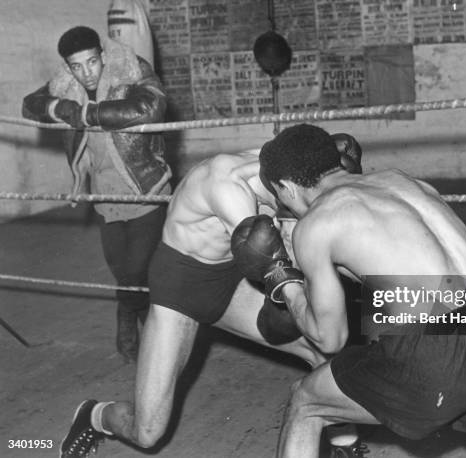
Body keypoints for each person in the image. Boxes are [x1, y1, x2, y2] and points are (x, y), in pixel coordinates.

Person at [231, 124, 466, 458]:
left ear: (285, 187)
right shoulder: (404, 181)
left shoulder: (316, 223)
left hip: (434, 356)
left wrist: (283, 278)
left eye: (280, 197)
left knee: (305, 402)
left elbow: (329, 339)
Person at [58, 139, 364, 457]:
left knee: (322, 347)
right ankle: (93, 415)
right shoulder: (228, 185)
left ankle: (346, 445)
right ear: (289, 186)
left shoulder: (293, 163)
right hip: (180, 290)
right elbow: (276, 265)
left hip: (232, 278)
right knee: (147, 432)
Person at [22, 26, 172, 363]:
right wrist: (61, 107)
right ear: (68, 67)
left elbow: (151, 107)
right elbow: (29, 105)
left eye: (92, 62)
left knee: (136, 272)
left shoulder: (132, 69)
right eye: (77, 66)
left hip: (144, 192)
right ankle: (135, 318)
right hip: (105, 197)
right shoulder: (68, 84)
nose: (87, 73)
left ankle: (148, 341)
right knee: (123, 271)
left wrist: (90, 113)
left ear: (102, 55)